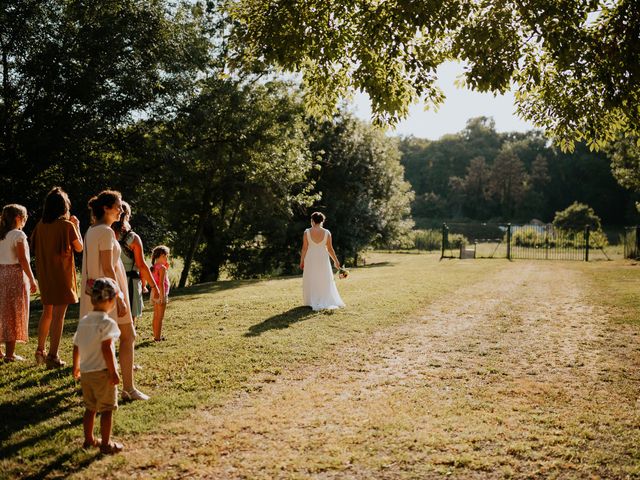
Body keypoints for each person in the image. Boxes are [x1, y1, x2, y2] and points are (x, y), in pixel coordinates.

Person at [79, 190, 149, 402]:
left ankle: (99, 389)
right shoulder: (107, 232)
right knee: (128, 337)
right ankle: (128, 388)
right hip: (109, 293)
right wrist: (118, 296)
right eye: (118, 206)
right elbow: (108, 268)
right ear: (106, 208)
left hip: (96, 294)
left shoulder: (91, 230)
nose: (121, 210)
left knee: (102, 342)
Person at [30, 187, 83, 368]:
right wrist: (77, 226)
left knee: (47, 312)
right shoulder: (67, 225)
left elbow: (33, 245)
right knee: (59, 316)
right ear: (64, 207)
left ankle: (40, 350)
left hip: (45, 275)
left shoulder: (40, 225)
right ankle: (53, 356)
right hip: (61, 275)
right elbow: (79, 248)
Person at [72, 277, 124, 454]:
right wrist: (113, 371)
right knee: (107, 409)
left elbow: (76, 345)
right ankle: (106, 444)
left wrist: (76, 366)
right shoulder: (107, 323)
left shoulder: (84, 321)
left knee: (90, 408)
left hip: (86, 373)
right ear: (111, 300)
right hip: (103, 373)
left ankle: (88, 440)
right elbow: (107, 348)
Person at [111, 201, 159, 327]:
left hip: (109, 281)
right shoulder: (133, 238)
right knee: (129, 325)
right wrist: (154, 287)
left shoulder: (105, 234)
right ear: (127, 216)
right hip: (129, 284)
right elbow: (141, 265)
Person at [0, 205, 38, 362]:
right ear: (18, 218)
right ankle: (10, 354)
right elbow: (22, 259)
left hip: (1, 273)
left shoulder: (2, 235)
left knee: (2, 312)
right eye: (25, 217)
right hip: (15, 274)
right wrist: (31, 278)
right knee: (14, 313)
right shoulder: (18, 235)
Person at [299, 211, 345, 310]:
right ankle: (323, 298)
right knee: (323, 277)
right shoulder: (327, 232)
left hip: (311, 257)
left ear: (312, 221)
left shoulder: (307, 232)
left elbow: (304, 248)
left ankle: (311, 300)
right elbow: (330, 249)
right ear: (322, 221)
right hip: (322, 257)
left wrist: (302, 261)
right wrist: (336, 261)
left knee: (311, 277)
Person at [150, 245, 170, 342]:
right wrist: (162, 297)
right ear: (162, 255)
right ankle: (158, 338)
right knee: (160, 317)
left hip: (154, 293)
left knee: (156, 316)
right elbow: (161, 283)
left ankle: (155, 335)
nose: (167, 258)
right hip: (161, 293)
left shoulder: (154, 267)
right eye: (167, 256)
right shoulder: (162, 268)